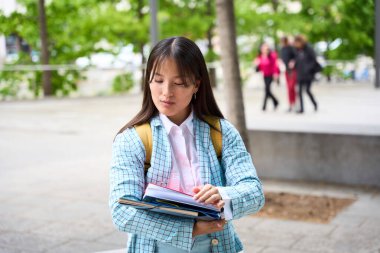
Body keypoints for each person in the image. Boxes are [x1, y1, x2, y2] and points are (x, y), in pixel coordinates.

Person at [109, 36, 265, 253]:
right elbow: (122, 211)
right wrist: (189, 229)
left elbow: (255, 193)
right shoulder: (132, 139)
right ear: (148, 81)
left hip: (217, 246)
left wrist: (223, 195)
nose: (166, 92)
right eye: (158, 80)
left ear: (196, 85)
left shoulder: (221, 132)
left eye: (179, 83)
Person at [293, 35, 319, 113]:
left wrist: (308, 69)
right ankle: (301, 108)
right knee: (299, 91)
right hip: (300, 73)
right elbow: (297, 60)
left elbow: (313, 60)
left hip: (308, 74)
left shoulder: (309, 49)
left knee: (307, 90)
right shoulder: (297, 50)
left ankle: (315, 104)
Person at [254, 43, 280, 111]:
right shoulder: (260, 56)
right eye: (263, 49)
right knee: (267, 90)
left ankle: (264, 106)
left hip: (271, 74)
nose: (264, 50)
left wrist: (276, 74)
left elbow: (275, 65)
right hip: (264, 75)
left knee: (267, 89)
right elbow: (259, 66)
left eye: (266, 49)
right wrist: (256, 64)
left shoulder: (272, 55)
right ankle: (276, 102)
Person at [280, 36, 297, 112]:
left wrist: (293, 62)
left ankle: (294, 103)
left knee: (292, 87)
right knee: (288, 88)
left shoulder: (291, 48)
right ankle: (290, 104)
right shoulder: (282, 49)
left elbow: (296, 57)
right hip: (286, 70)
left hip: (292, 70)